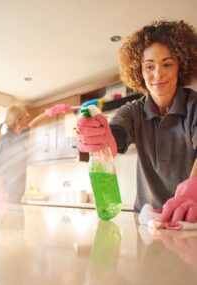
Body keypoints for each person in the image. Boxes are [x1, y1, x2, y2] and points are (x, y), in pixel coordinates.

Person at [77, 20, 197, 223]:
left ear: (181, 67)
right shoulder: (133, 111)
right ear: (139, 71)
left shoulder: (194, 105)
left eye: (167, 64)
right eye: (149, 66)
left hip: (189, 220)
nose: (157, 74)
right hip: (146, 221)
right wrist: (100, 135)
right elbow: (116, 133)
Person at [0, 103, 72, 203]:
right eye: (26, 117)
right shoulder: (6, 140)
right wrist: (2, 199)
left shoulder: (20, 135)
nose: (28, 119)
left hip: (16, 196)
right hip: (4, 197)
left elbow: (34, 123)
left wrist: (51, 111)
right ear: (18, 121)